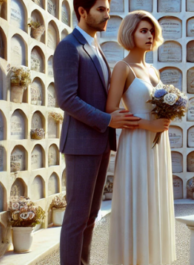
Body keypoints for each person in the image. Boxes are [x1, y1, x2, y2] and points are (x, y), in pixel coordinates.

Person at [53, 0, 141, 264]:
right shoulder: (68, 47)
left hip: (101, 143)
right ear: (82, 11)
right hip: (81, 145)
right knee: (76, 218)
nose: (108, 15)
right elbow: (67, 100)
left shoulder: (94, 46)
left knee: (91, 216)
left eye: (108, 9)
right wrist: (107, 119)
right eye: (101, 9)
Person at [106, 10, 176, 265]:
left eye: (152, 31)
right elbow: (111, 110)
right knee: (137, 200)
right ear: (130, 32)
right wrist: (150, 125)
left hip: (157, 145)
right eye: (143, 30)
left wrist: (167, 116)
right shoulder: (123, 68)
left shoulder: (153, 69)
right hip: (136, 143)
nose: (149, 35)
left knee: (154, 201)